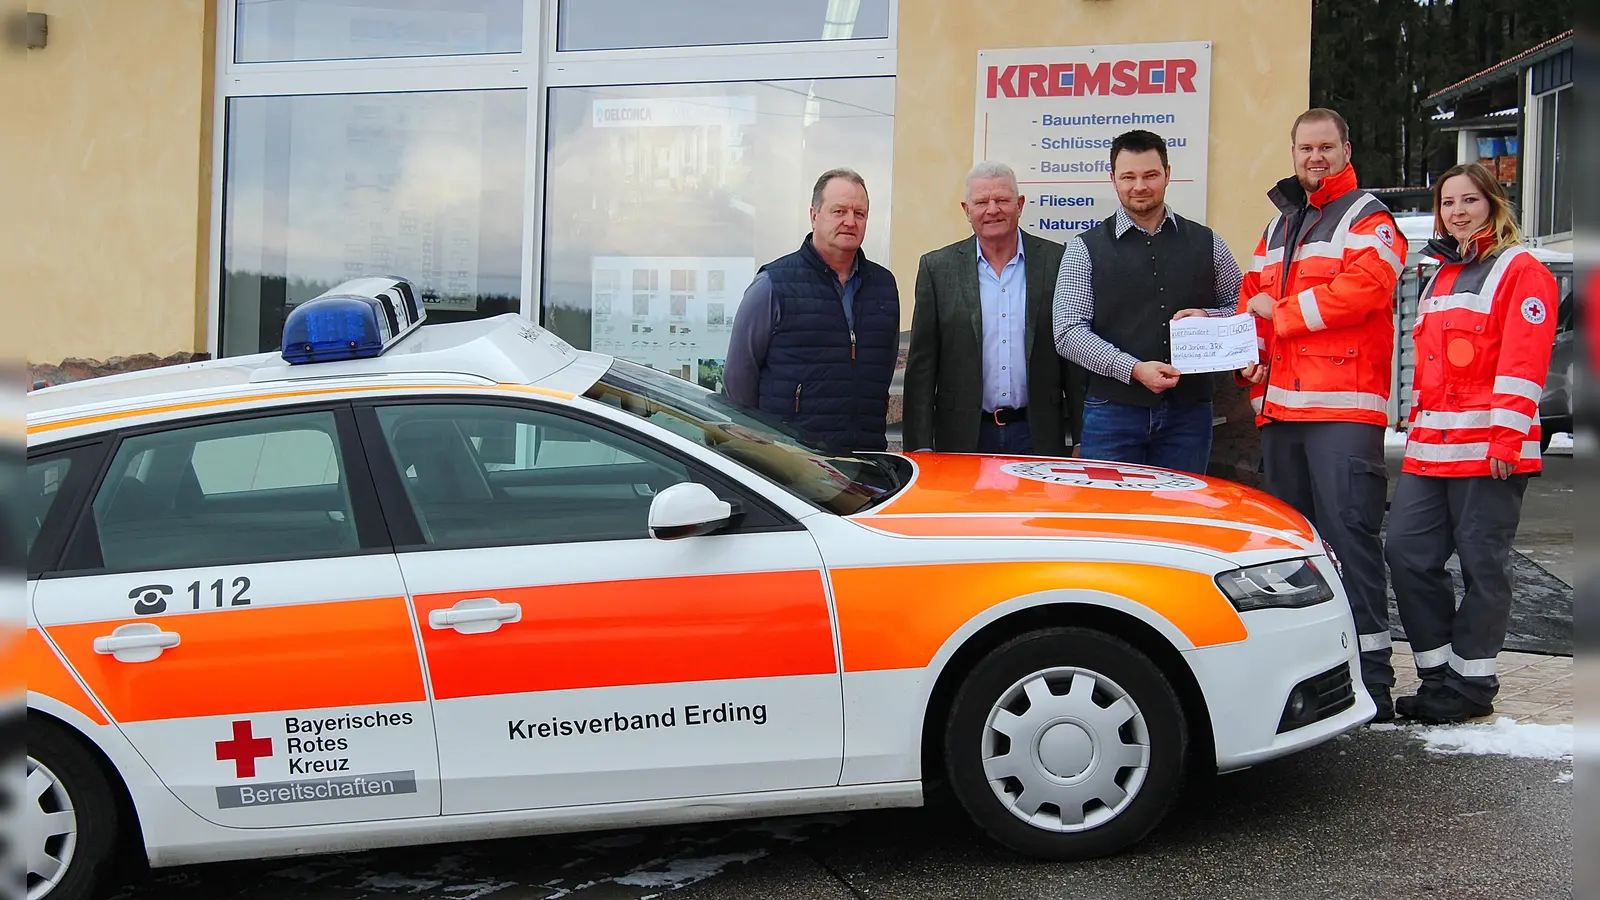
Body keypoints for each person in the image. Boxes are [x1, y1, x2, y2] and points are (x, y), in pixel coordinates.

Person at [1235, 108, 1407, 719]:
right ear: (1293, 151)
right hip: (1280, 414)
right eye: (1306, 147)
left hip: (1341, 414)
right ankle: (1311, 680)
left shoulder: (1369, 217)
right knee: (1294, 554)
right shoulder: (1278, 226)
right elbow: (1246, 304)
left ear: (1345, 148)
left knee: (1349, 542)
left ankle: (1373, 682)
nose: (1316, 157)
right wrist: (1246, 360)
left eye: (1326, 147)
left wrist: (1276, 315)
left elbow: (1364, 289)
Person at [1385, 163, 1558, 723]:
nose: (1457, 211)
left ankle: (1470, 685)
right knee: (1408, 555)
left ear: (1494, 203)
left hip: (1490, 451)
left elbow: (1523, 362)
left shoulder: (1520, 269)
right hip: (1432, 449)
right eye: (1448, 202)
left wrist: (1507, 439)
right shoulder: (1439, 273)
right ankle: (1439, 674)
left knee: (1484, 567)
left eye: (1469, 200)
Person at [1052, 130, 1244, 474]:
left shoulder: (1208, 242)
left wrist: (1208, 317)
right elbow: (1068, 332)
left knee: (1178, 519)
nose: (1139, 185)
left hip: (1189, 416)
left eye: (1150, 175)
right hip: (1113, 413)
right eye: (1129, 176)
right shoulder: (1084, 249)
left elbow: (1241, 306)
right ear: (1113, 180)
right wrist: (1132, 369)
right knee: (1110, 521)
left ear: (1167, 175)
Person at [902, 161, 1084, 456]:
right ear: (966, 209)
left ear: (1020, 204)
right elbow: (922, 368)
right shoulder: (937, 269)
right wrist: (920, 445)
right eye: (981, 202)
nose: (992, 209)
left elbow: (1074, 360)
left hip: (1036, 435)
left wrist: (1081, 437)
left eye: (1002, 200)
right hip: (962, 438)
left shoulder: (1056, 261)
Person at [723, 168, 900, 451]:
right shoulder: (772, 284)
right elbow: (738, 378)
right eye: (839, 211)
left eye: (859, 213)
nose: (850, 222)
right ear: (814, 215)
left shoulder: (883, 286)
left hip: (865, 459)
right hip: (791, 461)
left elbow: (882, 369)